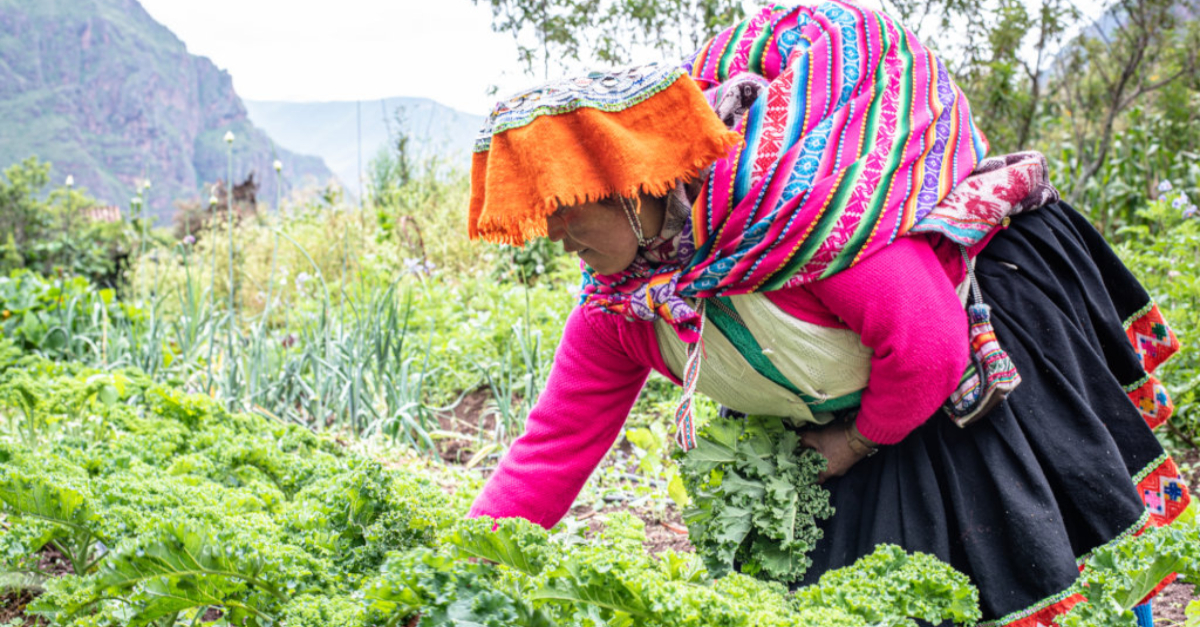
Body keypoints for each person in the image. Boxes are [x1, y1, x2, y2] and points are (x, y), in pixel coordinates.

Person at [465, 2, 1192, 626]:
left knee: (1055, 545)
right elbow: (554, 443)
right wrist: (464, 560)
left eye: (562, 209)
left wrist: (851, 443)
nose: (556, 236)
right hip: (870, 397)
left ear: (629, 182)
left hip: (978, 351)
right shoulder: (620, 309)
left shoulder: (789, 221)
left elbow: (931, 349)